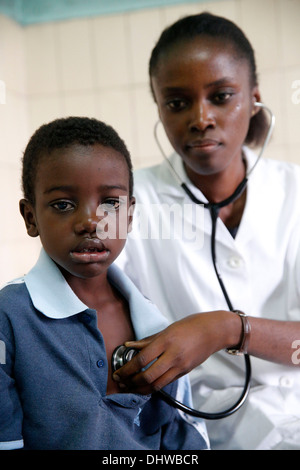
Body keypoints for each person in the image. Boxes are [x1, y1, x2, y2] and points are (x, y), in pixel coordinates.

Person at [114, 12, 300, 450]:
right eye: (177, 103)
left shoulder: (296, 191)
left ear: (254, 99)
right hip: (194, 432)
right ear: (158, 107)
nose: (200, 118)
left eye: (221, 96)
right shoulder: (122, 199)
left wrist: (225, 329)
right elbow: (82, 307)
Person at [0, 116, 209, 450]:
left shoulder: (153, 321)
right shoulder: (9, 318)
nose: (90, 222)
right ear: (31, 218)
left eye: (111, 203)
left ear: (129, 215)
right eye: (63, 205)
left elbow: (182, 438)